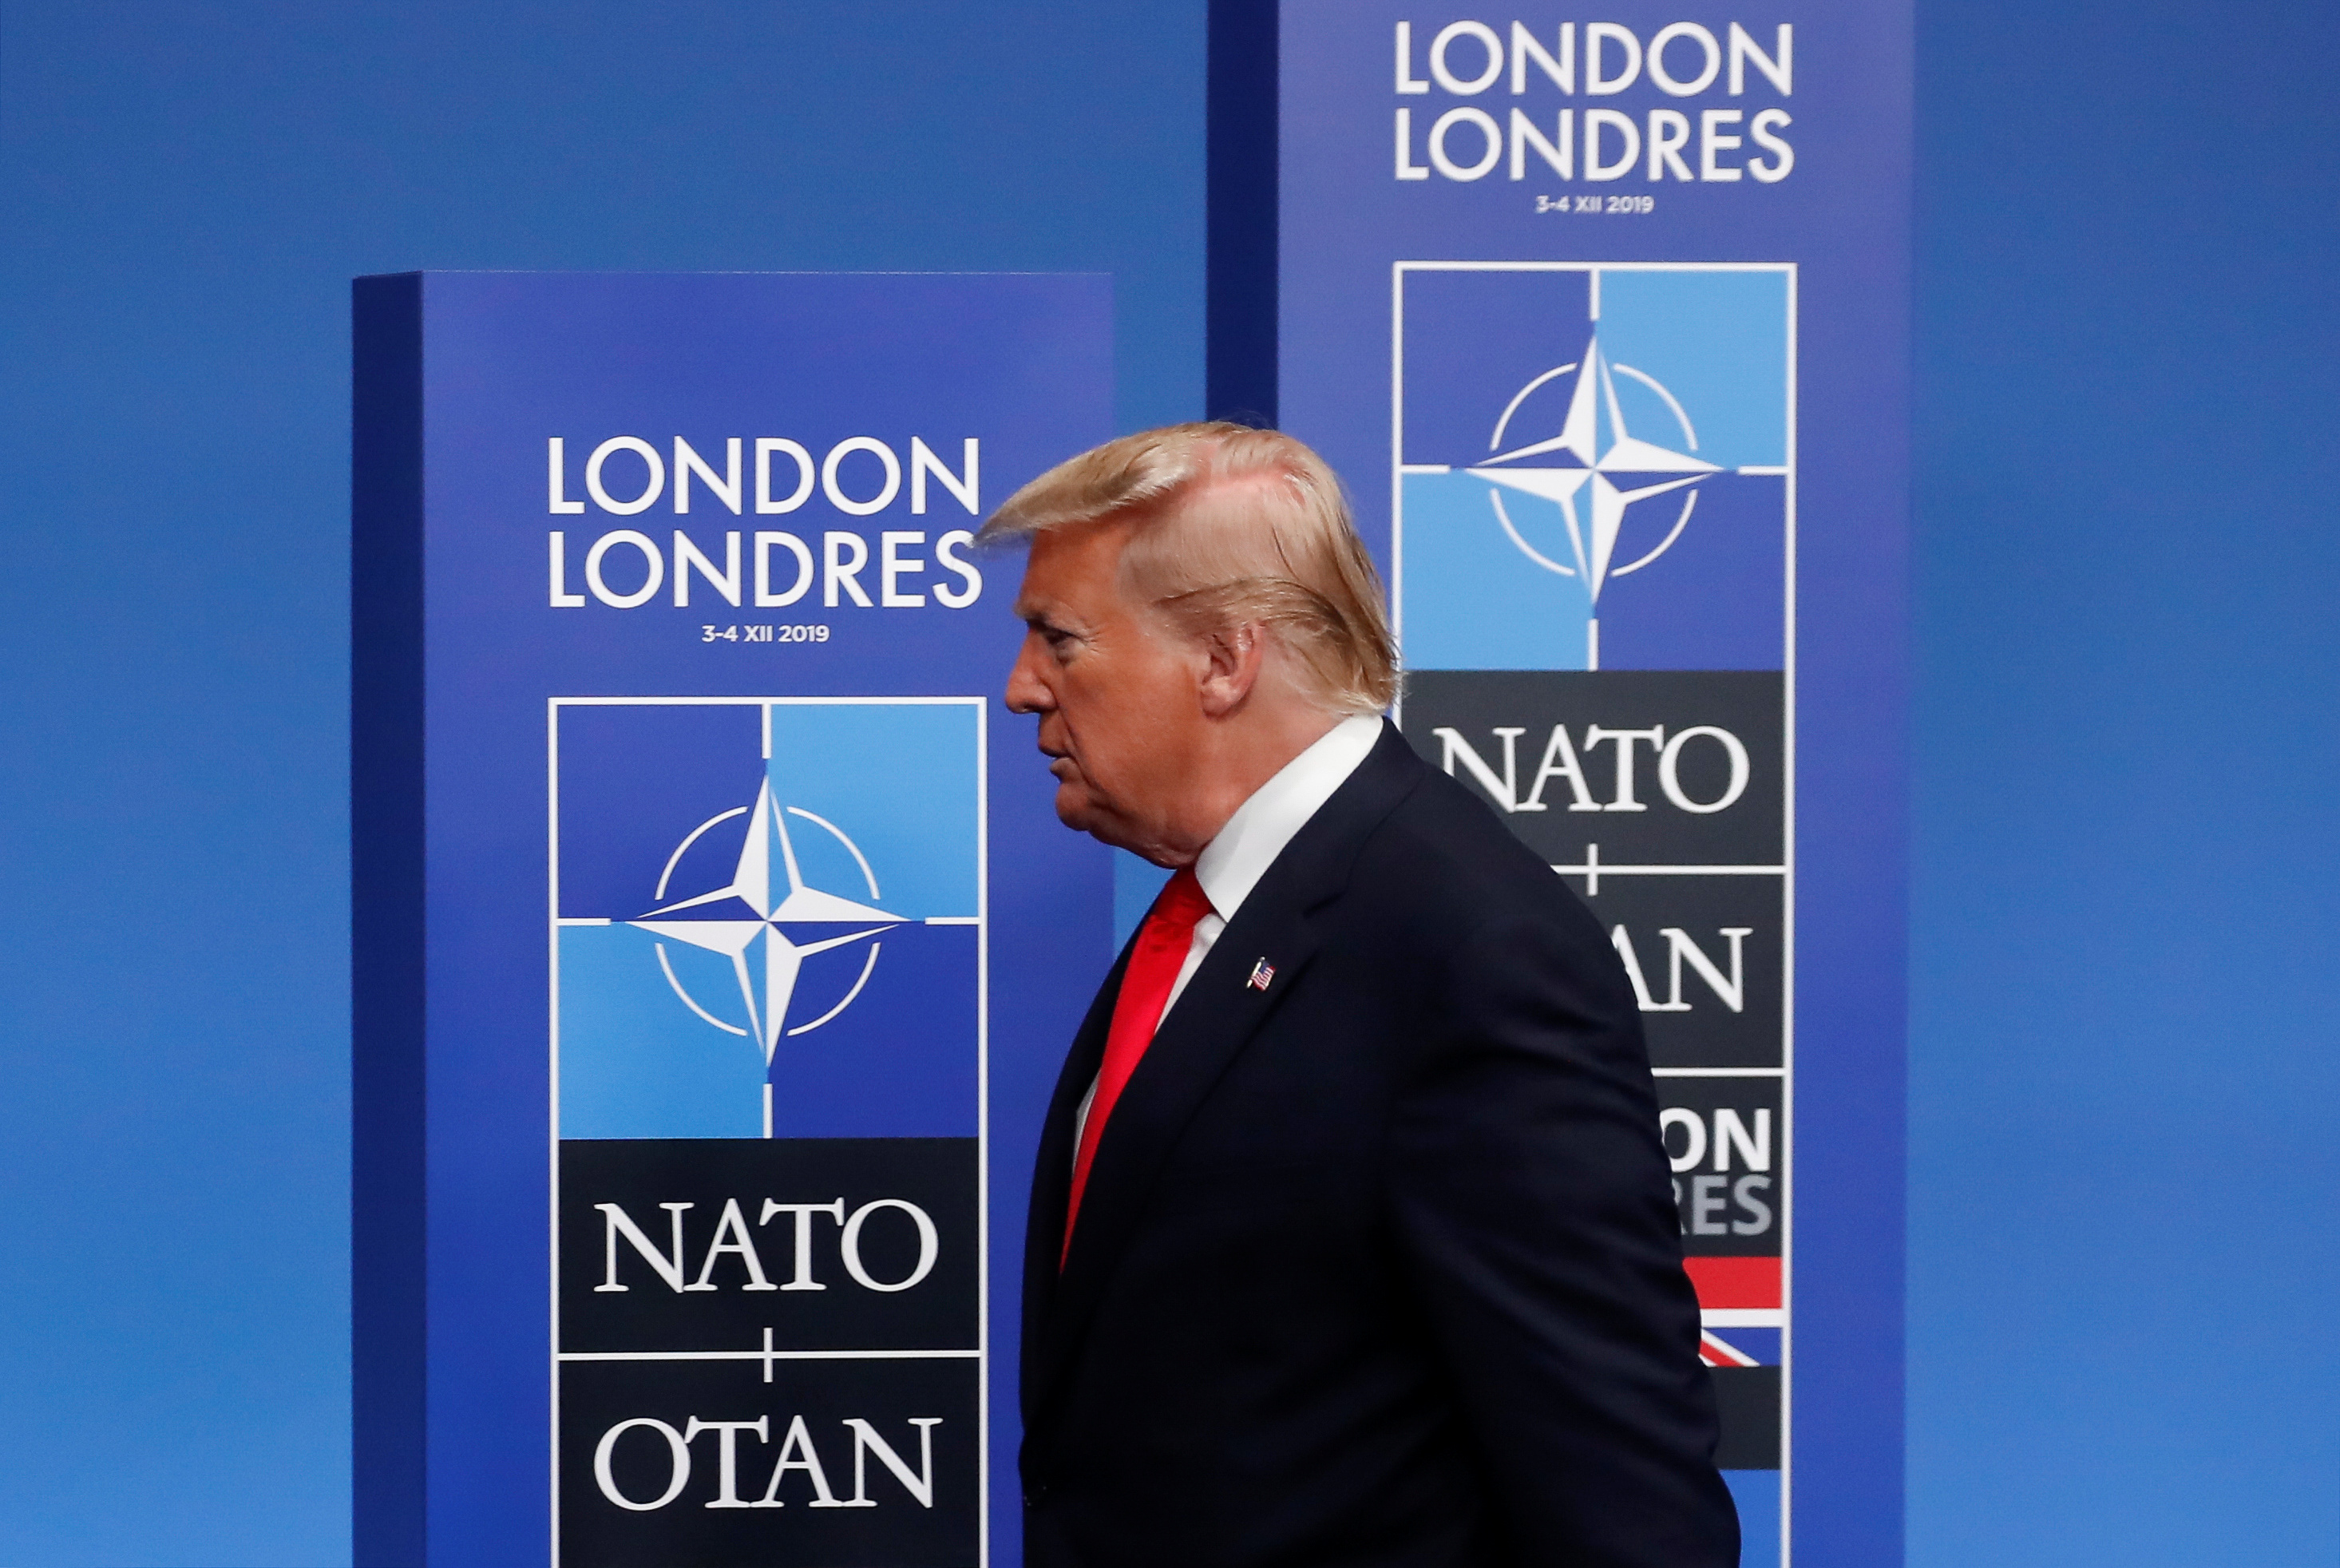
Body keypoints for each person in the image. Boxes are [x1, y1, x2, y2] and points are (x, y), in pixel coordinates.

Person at [984, 422, 1737, 1568]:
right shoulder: (1223, 903)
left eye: (1060, 639)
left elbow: (1619, 1488)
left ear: (1227, 660)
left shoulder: (1467, 948)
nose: (1020, 687)